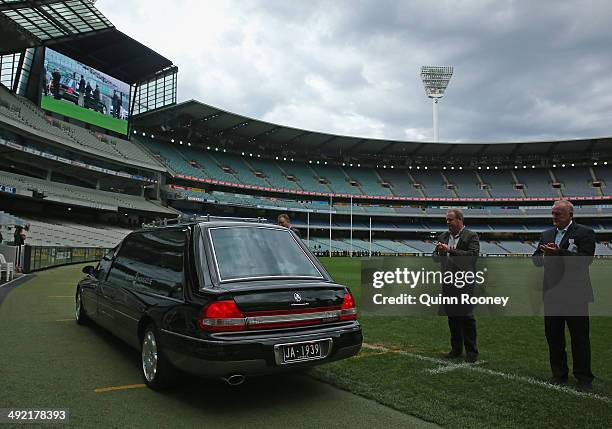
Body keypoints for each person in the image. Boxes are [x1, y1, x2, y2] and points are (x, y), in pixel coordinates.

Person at [532, 200, 595, 391]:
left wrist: (559, 253)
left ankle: (584, 378)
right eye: (553, 213)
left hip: (575, 294)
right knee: (554, 336)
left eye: (558, 213)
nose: (554, 217)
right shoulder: (546, 234)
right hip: (552, 293)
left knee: (579, 337)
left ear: (570, 214)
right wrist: (544, 256)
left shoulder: (584, 232)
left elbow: (586, 260)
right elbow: (536, 260)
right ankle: (559, 374)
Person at [433, 208, 480, 363]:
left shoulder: (471, 236)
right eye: (446, 220)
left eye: (450, 220)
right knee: (452, 317)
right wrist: (440, 253)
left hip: (464, 282)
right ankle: (456, 349)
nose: (448, 223)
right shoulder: (443, 236)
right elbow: (435, 258)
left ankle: (472, 352)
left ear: (460, 220)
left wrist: (450, 250)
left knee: (466, 317)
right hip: (448, 282)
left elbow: (472, 257)